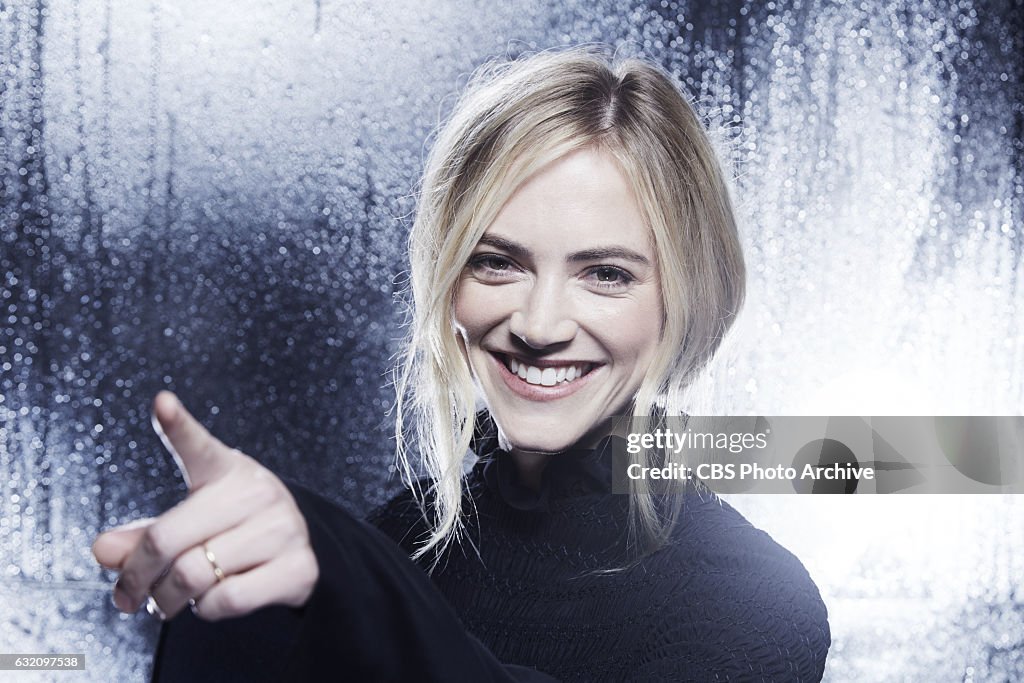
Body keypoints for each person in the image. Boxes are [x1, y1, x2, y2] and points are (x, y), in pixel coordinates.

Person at [92, 47, 831, 681]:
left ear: (688, 297)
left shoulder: (756, 602)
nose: (538, 325)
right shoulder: (400, 539)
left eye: (605, 273)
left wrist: (353, 587)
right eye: (497, 262)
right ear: (447, 280)